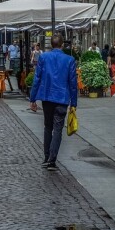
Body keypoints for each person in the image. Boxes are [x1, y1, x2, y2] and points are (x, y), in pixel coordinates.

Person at [29, 35, 77, 172]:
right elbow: (73, 83)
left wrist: (32, 99)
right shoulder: (69, 60)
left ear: (51, 45)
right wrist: (74, 103)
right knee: (57, 129)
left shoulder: (44, 58)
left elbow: (37, 78)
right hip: (61, 98)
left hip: (47, 97)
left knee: (47, 126)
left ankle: (46, 157)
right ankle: (52, 159)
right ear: (62, 45)